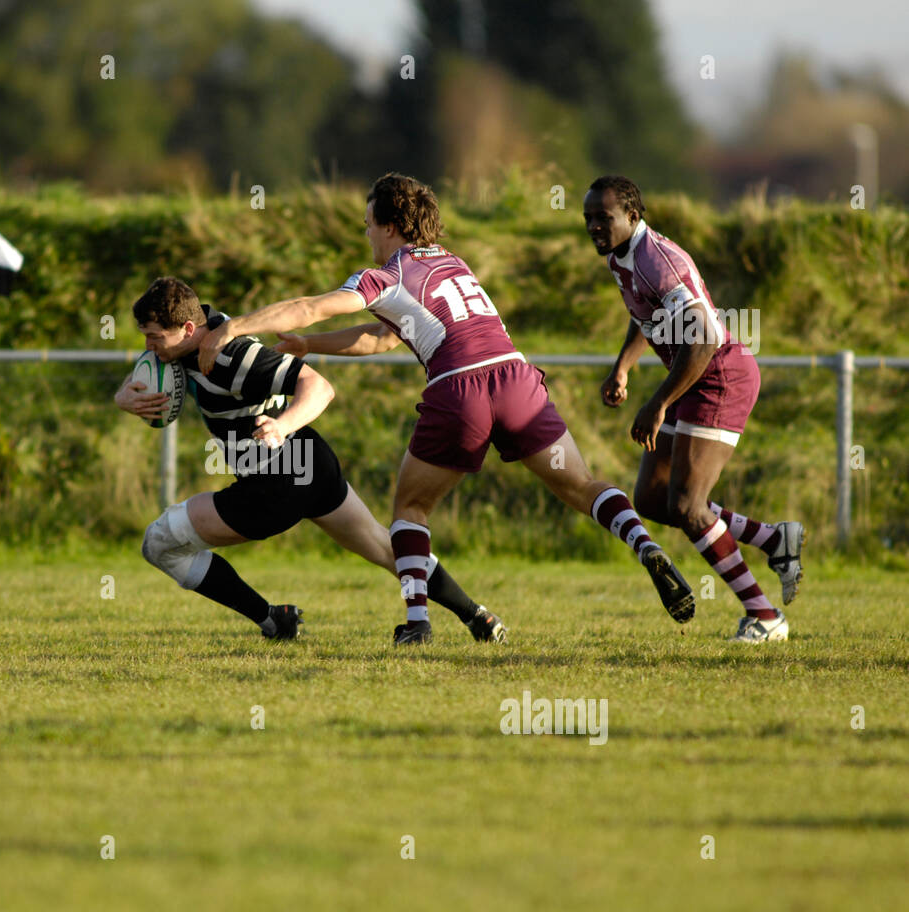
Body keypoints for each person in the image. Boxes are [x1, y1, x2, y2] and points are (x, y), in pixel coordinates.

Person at [196, 173, 696, 644]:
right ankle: (643, 545)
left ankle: (417, 622)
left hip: (461, 391)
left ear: (390, 225)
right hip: (518, 380)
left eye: (369, 222)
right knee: (581, 485)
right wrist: (309, 344)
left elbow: (310, 304)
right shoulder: (453, 263)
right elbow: (382, 338)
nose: (366, 232)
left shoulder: (384, 276)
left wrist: (235, 326)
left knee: (410, 510)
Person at [116, 276, 506, 643]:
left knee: (160, 542)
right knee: (386, 549)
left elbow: (319, 388)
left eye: (154, 338)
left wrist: (282, 425)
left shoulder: (233, 356)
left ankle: (273, 619)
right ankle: (477, 615)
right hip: (310, 464)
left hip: (275, 485)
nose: (149, 347)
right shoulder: (187, 342)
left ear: (186, 329)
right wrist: (123, 397)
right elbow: (144, 371)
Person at [582, 175, 802, 643]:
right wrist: (622, 367)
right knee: (653, 498)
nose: (595, 227)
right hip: (688, 377)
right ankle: (772, 539)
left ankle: (764, 616)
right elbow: (646, 315)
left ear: (632, 217)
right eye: (588, 219)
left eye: (604, 217)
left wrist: (659, 402)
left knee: (687, 504)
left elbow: (703, 338)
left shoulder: (658, 261)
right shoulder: (620, 258)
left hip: (718, 375)